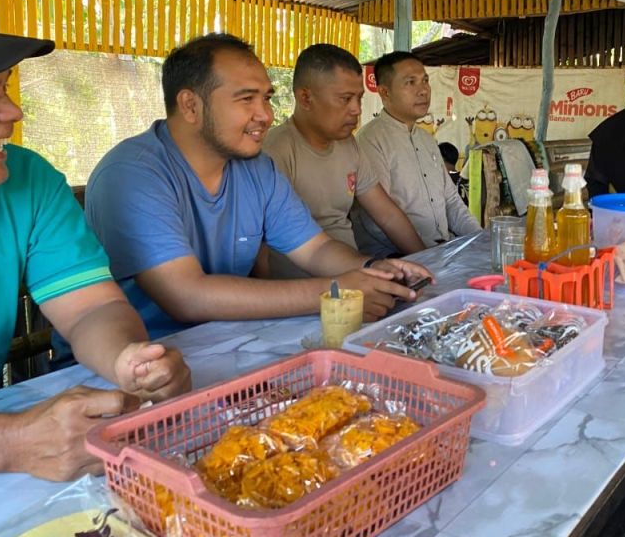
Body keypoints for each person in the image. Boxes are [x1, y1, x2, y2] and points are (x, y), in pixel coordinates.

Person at [0, 0, 191, 480]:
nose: (12, 111)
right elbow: (11, 444)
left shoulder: (25, 180)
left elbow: (92, 308)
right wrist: (11, 443)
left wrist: (129, 360)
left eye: (4, 87)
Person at [84, 34, 432, 338]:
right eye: (246, 99)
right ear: (190, 105)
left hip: (231, 340)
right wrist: (335, 290)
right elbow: (186, 295)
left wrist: (372, 270)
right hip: (138, 360)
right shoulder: (132, 175)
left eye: (266, 98)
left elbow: (315, 250)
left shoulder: (256, 168)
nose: (266, 114)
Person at [264, 44, 428, 273]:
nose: (356, 110)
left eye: (359, 98)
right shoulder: (275, 152)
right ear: (305, 98)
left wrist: (427, 262)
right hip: (299, 287)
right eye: (345, 98)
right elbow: (261, 247)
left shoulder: (349, 145)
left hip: (354, 276)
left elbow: (388, 215)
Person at [351, 52, 482, 256]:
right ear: (384, 92)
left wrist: (482, 240)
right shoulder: (370, 140)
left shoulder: (427, 140)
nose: (423, 91)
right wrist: (427, 254)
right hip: (395, 259)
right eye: (410, 82)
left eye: (425, 81)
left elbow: (451, 202)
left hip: (441, 251)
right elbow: (376, 219)